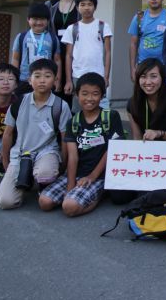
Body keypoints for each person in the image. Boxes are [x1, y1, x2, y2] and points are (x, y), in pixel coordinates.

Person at [38, 72, 125, 217]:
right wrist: (71, 184)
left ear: (102, 96)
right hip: (76, 173)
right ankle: (77, 195)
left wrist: (92, 176)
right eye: (84, 93)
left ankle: (99, 194)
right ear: (77, 95)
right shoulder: (74, 121)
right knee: (44, 202)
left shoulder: (111, 116)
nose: (89, 98)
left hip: (99, 175)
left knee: (69, 207)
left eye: (95, 94)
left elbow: (112, 150)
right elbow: (73, 156)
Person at [0, 58, 71, 210]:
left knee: (46, 173)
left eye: (47, 76)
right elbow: (8, 134)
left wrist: (63, 165)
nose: (42, 80)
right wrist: (6, 163)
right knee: (6, 202)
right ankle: (25, 178)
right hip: (20, 153)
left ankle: (42, 184)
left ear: (55, 80)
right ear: (29, 80)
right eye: (37, 76)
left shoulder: (60, 106)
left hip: (47, 152)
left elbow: (65, 138)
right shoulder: (18, 103)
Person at [120, 58, 166, 204]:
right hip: (147, 157)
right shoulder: (133, 103)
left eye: (153, 76)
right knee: (119, 196)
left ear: (162, 77)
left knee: (149, 197)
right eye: (143, 76)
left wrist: (159, 133)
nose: (148, 82)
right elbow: (137, 138)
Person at [63, 0, 113, 106]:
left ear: (95, 7)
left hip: (98, 74)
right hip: (78, 75)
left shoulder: (103, 26)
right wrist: (69, 80)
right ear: (77, 7)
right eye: (82, 4)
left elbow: (108, 52)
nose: (86, 8)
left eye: (90, 4)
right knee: (78, 110)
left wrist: (106, 76)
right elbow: (68, 56)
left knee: (99, 107)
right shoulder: (72, 28)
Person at [11, 2, 62, 95]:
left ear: (48, 21)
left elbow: (57, 60)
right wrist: (14, 78)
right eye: (35, 19)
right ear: (28, 20)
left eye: (42, 19)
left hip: (45, 80)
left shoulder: (53, 38)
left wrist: (57, 80)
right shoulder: (21, 37)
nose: (38, 22)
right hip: (24, 79)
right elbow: (15, 58)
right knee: (22, 106)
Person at [127, 0, 166, 83]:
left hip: (165, 66)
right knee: (144, 95)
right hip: (143, 65)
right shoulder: (139, 17)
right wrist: (133, 69)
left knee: (163, 96)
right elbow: (133, 44)